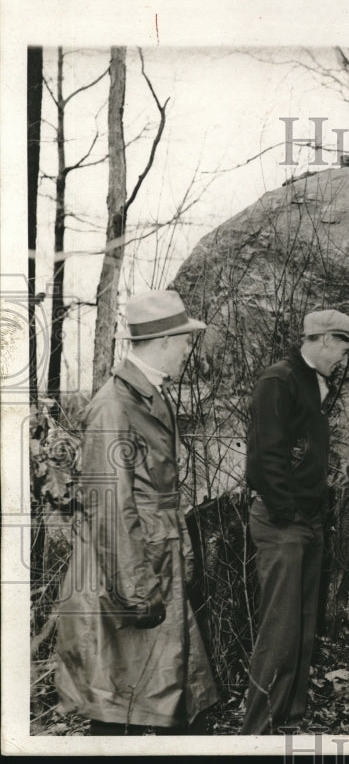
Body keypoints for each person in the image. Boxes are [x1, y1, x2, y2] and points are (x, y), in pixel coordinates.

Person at [53, 290, 218, 735]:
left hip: (151, 563)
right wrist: (135, 589)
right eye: (185, 340)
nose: (188, 349)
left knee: (156, 695)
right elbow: (108, 509)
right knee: (117, 704)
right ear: (165, 339)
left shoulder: (148, 396)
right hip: (124, 573)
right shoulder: (114, 406)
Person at [241, 309, 349, 735]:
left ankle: (289, 720)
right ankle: (256, 733)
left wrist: (313, 514)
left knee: (303, 626)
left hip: (308, 520)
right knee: (278, 631)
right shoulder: (279, 379)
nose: (345, 358)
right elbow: (264, 457)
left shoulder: (314, 383)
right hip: (282, 522)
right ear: (326, 340)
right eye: (345, 348)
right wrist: (287, 514)